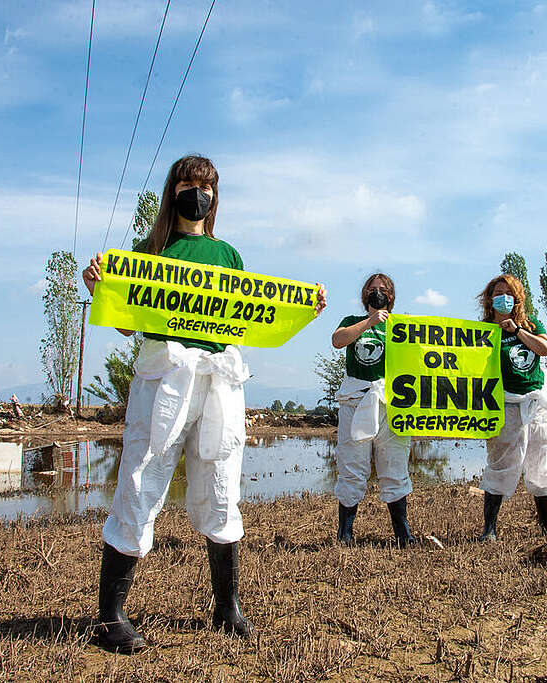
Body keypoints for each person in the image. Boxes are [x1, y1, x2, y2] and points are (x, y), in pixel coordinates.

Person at [82, 155, 325, 652]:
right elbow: (131, 323)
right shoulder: (148, 251)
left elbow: (250, 315)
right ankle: (110, 616)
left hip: (220, 381)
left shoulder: (229, 256)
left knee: (220, 481)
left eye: (207, 185)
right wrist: (99, 290)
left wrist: (303, 307)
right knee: (141, 477)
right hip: (165, 375)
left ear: (215, 195)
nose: (198, 191)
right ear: (174, 190)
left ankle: (227, 606)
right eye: (189, 183)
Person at [477, 274, 547, 541]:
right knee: (501, 461)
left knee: (539, 458)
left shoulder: (530, 324)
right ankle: (489, 529)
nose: (503, 297)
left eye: (508, 292)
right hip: (503, 403)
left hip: (536, 401)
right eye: (497, 292)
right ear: (489, 299)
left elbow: (545, 349)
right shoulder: (483, 330)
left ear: (517, 298)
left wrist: (516, 330)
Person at [330, 274, 415, 547]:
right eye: (372, 288)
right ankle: (345, 533)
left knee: (395, 464)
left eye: (383, 289)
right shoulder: (351, 322)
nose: (377, 292)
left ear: (391, 296)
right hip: (355, 400)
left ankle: (402, 533)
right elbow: (337, 340)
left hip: (391, 403)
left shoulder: (401, 328)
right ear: (365, 294)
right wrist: (369, 322)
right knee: (352, 466)